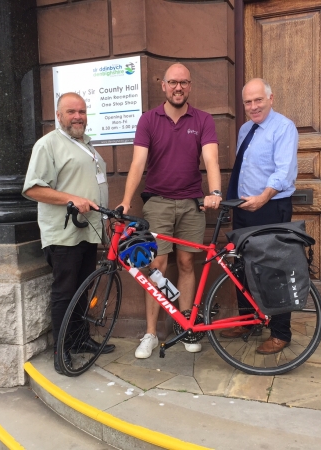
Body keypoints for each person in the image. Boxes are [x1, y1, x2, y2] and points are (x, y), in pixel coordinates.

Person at [118, 63, 222, 358]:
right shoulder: (149, 120)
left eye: (184, 83)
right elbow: (138, 164)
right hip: (159, 203)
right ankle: (151, 332)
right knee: (158, 267)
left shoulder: (202, 119)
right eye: (173, 82)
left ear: (190, 86)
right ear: (163, 85)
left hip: (192, 203)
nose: (179, 88)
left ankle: (186, 325)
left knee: (188, 264)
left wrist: (214, 193)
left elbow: (211, 159)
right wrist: (126, 200)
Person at [23, 92, 115, 375]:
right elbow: (33, 189)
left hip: (89, 230)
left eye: (82, 111)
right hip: (64, 234)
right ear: (59, 116)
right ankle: (61, 351)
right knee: (65, 292)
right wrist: (71, 199)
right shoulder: (48, 144)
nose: (78, 117)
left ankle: (79, 338)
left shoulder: (86, 145)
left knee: (82, 288)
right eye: (71, 111)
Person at [222, 78, 298, 355]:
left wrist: (263, 197)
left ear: (271, 98)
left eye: (258, 100)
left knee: (274, 270)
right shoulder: (246, 129)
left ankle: (281, 333)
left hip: (270, 207)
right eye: (248, 102)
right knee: (242, 267)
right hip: (244, 209)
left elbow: (284, 171)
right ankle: (249, 321)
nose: (253, 106)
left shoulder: (284, 127)